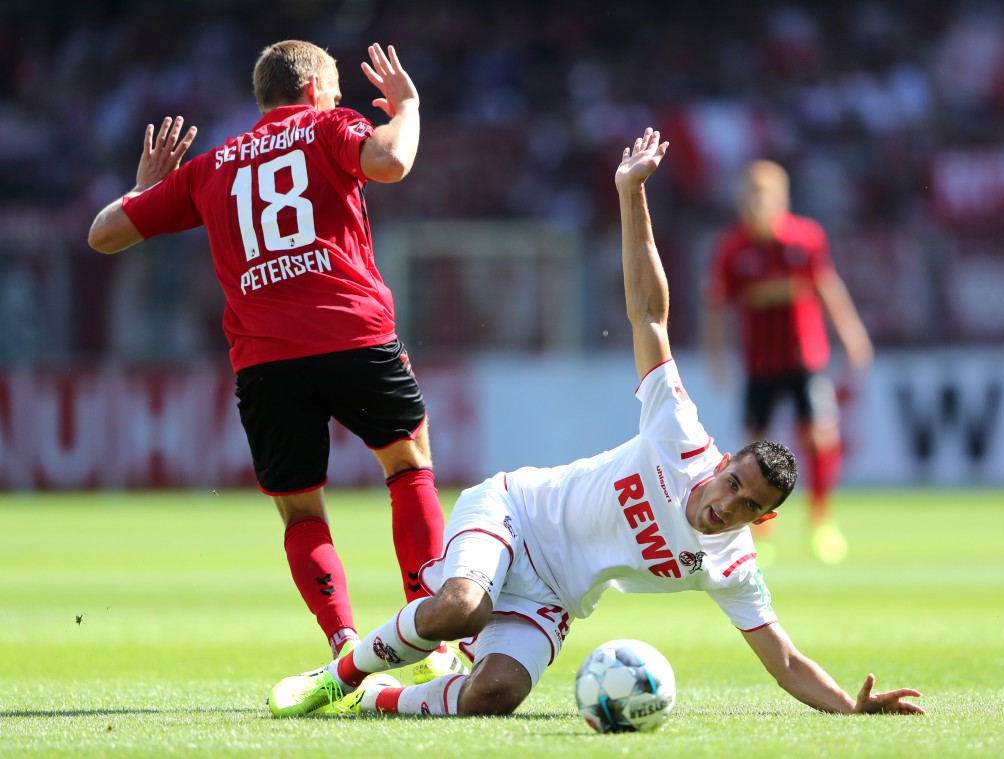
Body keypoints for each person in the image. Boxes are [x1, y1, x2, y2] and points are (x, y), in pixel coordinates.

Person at [265, 129, 924, 720]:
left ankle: (373, 698)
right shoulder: (680, 436)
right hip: (513, 511)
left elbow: (783, 659)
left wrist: (848, 706)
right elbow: (649, 314)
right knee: (463, 605)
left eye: (749, 507)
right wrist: (629, 192)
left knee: (493, 696)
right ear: (721, 462)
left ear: (760, 520)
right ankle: (335, 674)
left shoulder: (730, 564)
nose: (727, 504)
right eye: (733, 483)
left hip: (553, 594)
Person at [87, 41, 458, 674]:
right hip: (352, 334)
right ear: (314, 86)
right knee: (407, 463)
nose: (342, 100)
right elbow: (394, 160)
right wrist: (409, 106)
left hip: (265, 362)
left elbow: (103, 235)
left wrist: (144, 190)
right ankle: (432, 641)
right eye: (337, 89)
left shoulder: (211, 167)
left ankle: (344, 646)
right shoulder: (329, 126)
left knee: (300, 508)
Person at [704, 160, 874, 564]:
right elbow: (716, 305)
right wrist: (715, 355)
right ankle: (762, 528)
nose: (757, 204)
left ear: (782, 198)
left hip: (805, 358)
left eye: (765, 195)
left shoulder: (806, 238)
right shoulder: (733, 247)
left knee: (819, 434)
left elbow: (827, 287)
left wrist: (851, 334)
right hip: (759, 363)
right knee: (755, 447)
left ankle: (821, 522)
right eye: (750, 196)